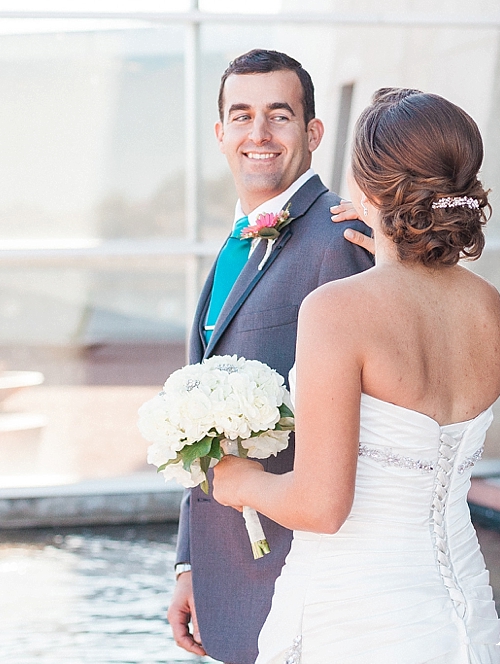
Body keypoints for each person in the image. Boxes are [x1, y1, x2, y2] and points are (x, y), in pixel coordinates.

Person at [212, 87, 500, 663]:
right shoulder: (485, 305)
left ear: (368, 187)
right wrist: (394, 259)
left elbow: (321, 506)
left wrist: (237, 480)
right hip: (462, 609)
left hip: (357, 615)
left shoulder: (338, 309)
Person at [168, 50, 374, 663]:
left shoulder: (340, 241)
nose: (257, 134)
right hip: (228, 573)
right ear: (220, 133)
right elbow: (201, 421)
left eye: (278, 116)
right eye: (242, 116)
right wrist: (190, 562)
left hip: (303, 580)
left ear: (312, 132)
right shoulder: (236, 243)